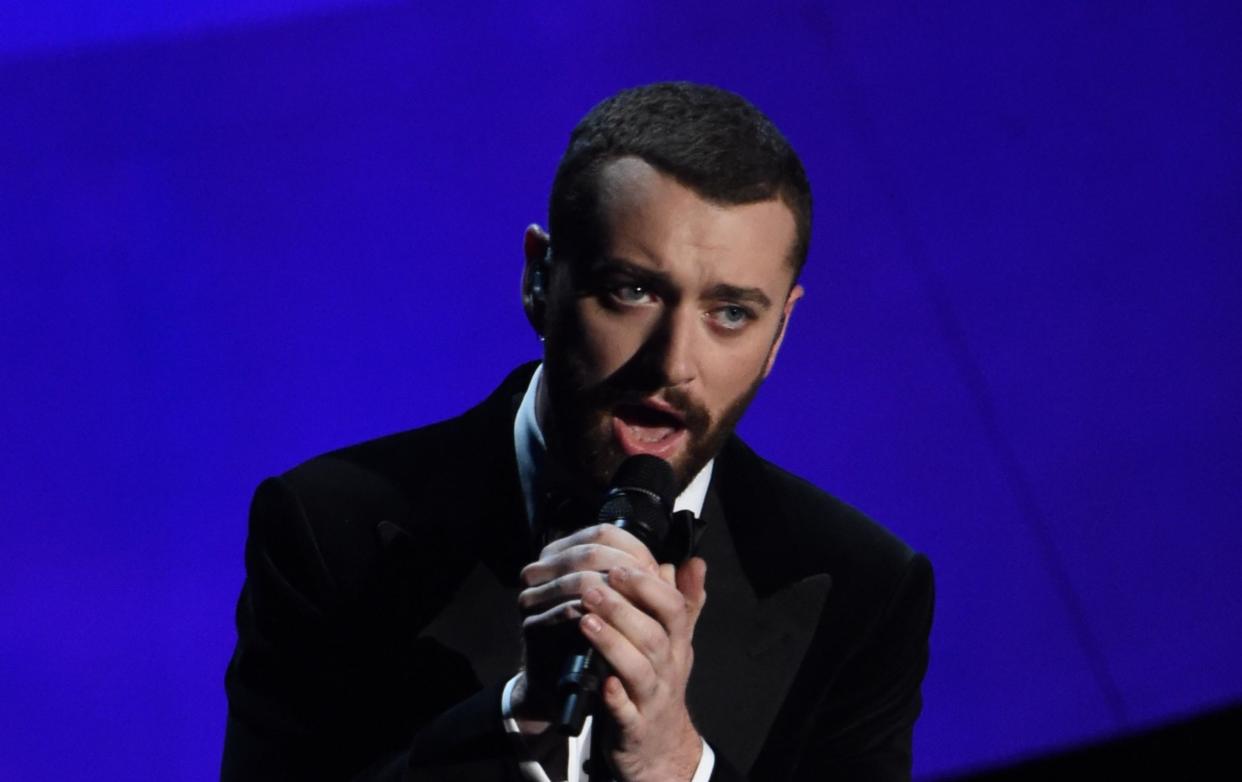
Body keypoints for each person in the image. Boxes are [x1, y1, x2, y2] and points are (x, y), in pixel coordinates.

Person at [222, 81, 934, 781]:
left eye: (731, 313)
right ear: (540, 280)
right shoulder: (324, 527)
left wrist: (673, 767)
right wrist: (513, 722)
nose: (674, 364)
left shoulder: (865, 588)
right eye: (633, 291)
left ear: (781, 332)